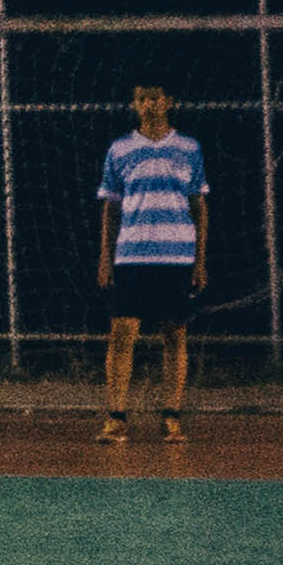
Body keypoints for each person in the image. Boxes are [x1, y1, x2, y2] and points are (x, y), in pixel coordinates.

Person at [96, 81, 211, 444]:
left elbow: (199, 206)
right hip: (131, 255)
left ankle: (172, 417)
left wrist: (200, 261)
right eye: (142, 98)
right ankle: (116, 418)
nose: (149, 104)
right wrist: (105, 258)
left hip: (177, 255)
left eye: (156, 98)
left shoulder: (190, 148)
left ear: (170, 101)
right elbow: (110, 207)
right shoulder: (120, 149)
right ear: (134, 103)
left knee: (175, 335)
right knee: (121, 336)